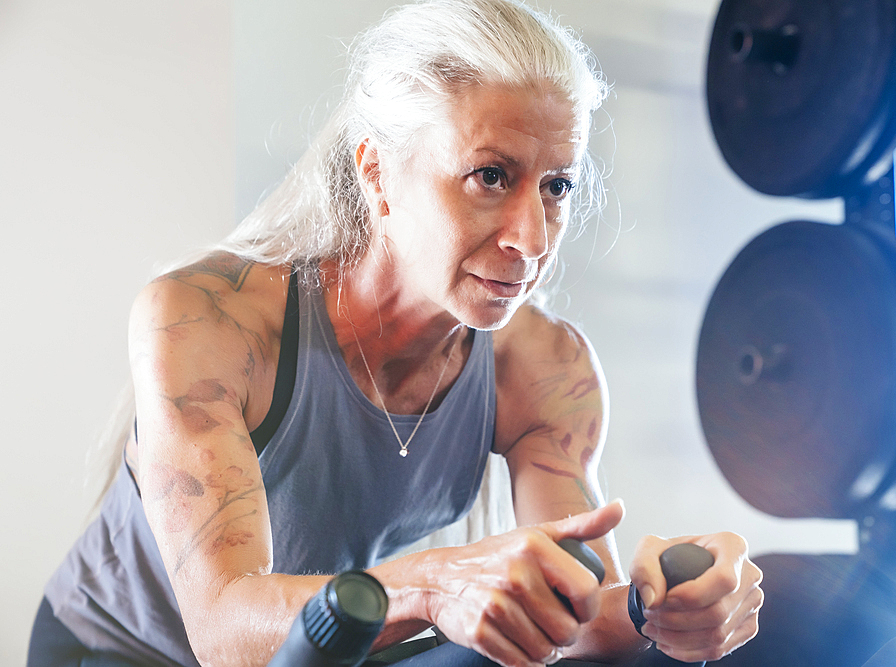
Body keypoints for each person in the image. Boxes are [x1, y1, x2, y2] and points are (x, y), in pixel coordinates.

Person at [29, 1, 763, 666]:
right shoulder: (208, 321)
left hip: (329, 642)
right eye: (491, 176)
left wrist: (663, 600)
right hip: (121, 649)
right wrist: (437, 583)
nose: (533, 238)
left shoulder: (546, 368)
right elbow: (224, 629)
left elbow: (582, 618)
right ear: (377, 172)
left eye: (556, 186)